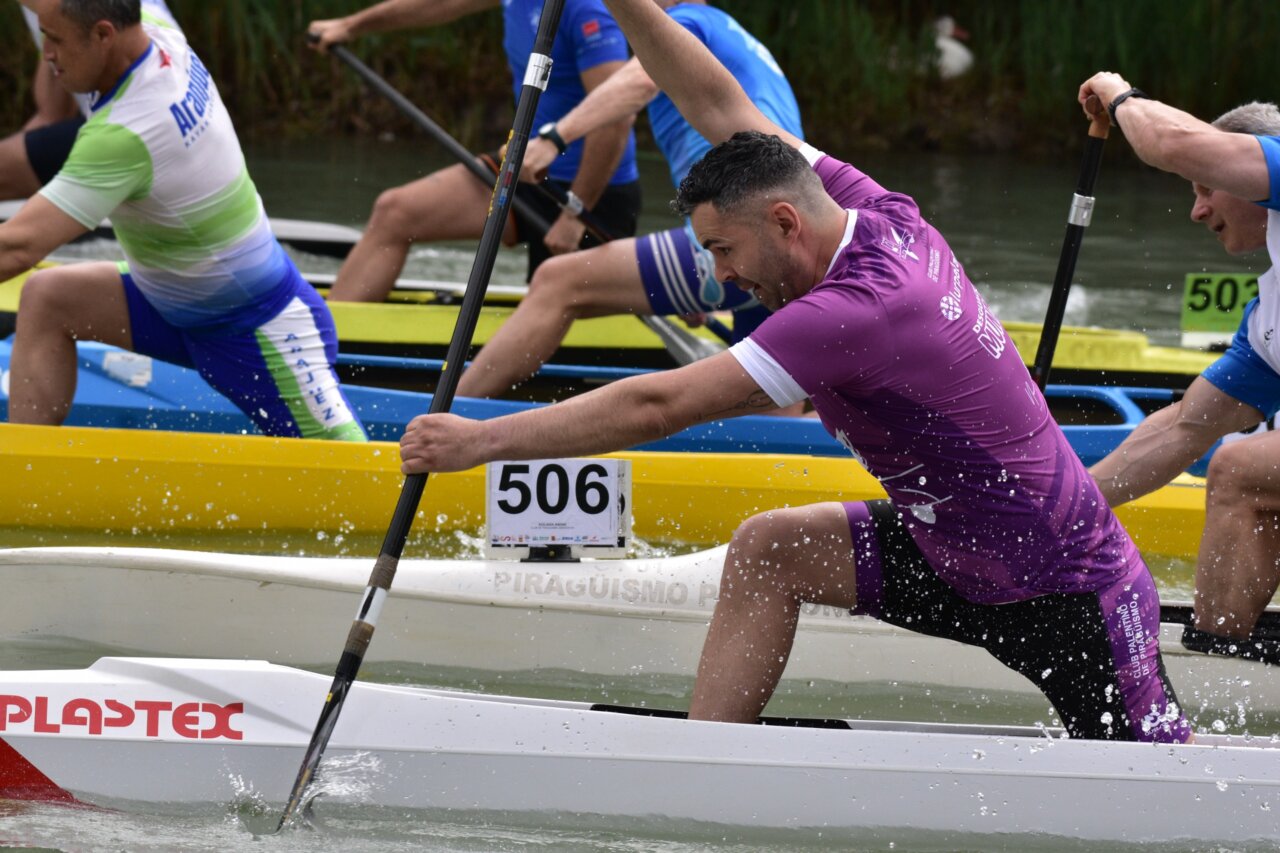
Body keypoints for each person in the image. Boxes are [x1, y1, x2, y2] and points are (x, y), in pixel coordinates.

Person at [400, 0, 1192, 742]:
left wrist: (474, 441)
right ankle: (706, 764)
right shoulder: (872, 207)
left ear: (784, 223)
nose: (720, 276)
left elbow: (657, 403)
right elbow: (717, 103)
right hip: (949, 550)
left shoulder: (853, 310)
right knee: (770, 549)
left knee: (1168, 787)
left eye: (723, 252)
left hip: (1065, 587)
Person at [1, 0, 366, 441]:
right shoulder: (152, 26)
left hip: (259, 331)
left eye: (55, 39)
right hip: (168, 304)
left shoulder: (126, 132)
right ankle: (26, 470)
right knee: (49, 297)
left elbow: (17, 246)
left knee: (372, 489)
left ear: (102, 35)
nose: (47, 53)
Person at [456, 0, 802, 400]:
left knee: (558, 281)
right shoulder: (734, 34)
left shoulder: (685, 23)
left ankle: (450, 420)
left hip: (742, 231)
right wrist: (695, 276)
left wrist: (555, 138)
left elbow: (639, 81)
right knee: (768, 409)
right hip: (784, 236)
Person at [1080, 73, 1280, 663]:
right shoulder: (1269, 321)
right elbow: (1183, 429)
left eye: (1205, 189)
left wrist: (1119, 96)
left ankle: (1218, 666)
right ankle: (1222, 661)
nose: (1196, 211)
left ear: (1243, 172)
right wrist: (1060, 507)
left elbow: (1168, 143)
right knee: (1253, 477)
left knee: (1242, 466)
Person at [306, 0, 640, 300]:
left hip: (592, 194)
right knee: (396, 211)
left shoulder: (588, 9)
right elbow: (435, 5)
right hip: (522, 172)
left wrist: (574, 214)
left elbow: (617, 120)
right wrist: (350, 26)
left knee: (552, 312)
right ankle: (330, 345)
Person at [1, 0, 178, 202]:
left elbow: (52, 115)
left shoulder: (64, 8)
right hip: (165, 107)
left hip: (139, 127)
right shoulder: (60, 15)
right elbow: (53, 112)